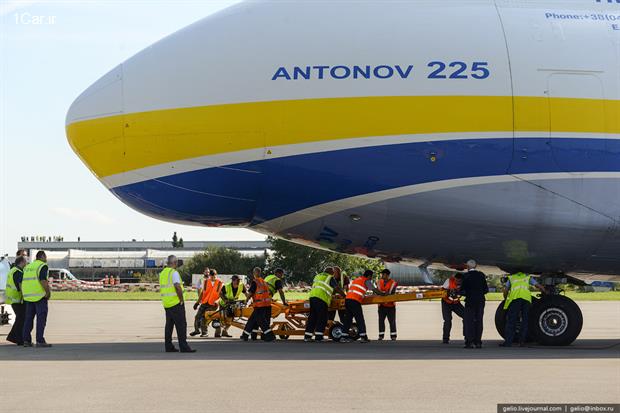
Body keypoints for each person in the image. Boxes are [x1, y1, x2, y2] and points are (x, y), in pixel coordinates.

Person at [159, 255, 195, 353]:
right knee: (181, 325)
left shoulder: (162, 273)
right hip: (175, 303)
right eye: (176, 262)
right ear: (174, 263)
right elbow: (177, 286)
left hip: (167, 303)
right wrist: (181, 299)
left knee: (169, 326)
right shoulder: (173, 273)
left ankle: (168, 346)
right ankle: (184, 347)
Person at [500, 272, 545, 347]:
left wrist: (505, 298)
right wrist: (545, 292)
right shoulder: (527, 277)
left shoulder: (512, 278)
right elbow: (539, 286)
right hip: (526, 300)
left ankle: (508, 342)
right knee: (525, 321)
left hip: (515, 300)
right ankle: (522, 342)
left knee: (511, 321)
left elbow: (505, 290)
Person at [340, 270, 386, 343]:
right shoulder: (366, 280)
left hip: (348, 300)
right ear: (369, 276)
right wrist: (382, 294)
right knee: (360, 319)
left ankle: (343, 337)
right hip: (354, 301)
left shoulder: (357, 279)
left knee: (348, 319)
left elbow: (357, 290)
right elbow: (374, 289)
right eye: (371, 277)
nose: (371, 279)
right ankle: (363, 337)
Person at [304, 267, 345, 342]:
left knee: (312, 317)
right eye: (333, 273)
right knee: (322, 318)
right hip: (321, 299)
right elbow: (337, 288)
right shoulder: (329, 278)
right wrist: (345, 296)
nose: (333, 274)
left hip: (312, 298)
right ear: (330, 272)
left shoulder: (318, 276)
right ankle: (319, 337)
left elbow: (324, 287)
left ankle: (307, 336)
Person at [22, 251, 52, 347]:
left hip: (28, 297)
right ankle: (40, 340)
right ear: (42, 256)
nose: (46, 259)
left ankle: (26, 341)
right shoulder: (42, 266)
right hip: (39, 297)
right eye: (45, 257)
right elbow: (43, 280)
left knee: (28, 319)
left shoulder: (28, 267)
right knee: (41, 319)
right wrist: (48, 292)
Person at [240, 268, 275, 342]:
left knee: (261, 321)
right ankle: (245, 335)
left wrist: (246, 301)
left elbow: (250, 293)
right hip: (267, 304)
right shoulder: (264, 282)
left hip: (259, 305)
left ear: (254, 273)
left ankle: (270, 336)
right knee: (253, 320)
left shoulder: (255, 282)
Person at [460, 260, 488, 349]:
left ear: (467, 267)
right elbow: (486, 290)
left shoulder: (466, 276)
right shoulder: (481, 275)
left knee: (469, 321)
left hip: (470, 301)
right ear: (476, 266)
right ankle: (478, 342)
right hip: (480, 301)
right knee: (479, 321)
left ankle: (469, 342)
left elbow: (462, 290)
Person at [190, 269, 222, 337]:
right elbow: (202, 293)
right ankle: (196, 330)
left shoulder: (220, 283)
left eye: (214, 276)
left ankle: (204, 333)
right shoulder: (206, 282)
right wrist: (197, 302)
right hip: (205, 302)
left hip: (213, 304)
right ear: (209, 275)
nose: (212, 278)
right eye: (211, 276)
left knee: (204, 317)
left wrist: (217, 301)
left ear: (216, 275)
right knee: (197, 317)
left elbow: (221, 296)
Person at [6, 256, 27, 345]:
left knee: (20, 318)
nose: (26, 263)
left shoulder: (12, 270)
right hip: (17, 299)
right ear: (21, 262)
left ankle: (13, 337)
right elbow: (20, 285)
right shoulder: (18, 272)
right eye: (25, 261)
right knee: (21, 319)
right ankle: (18, 339)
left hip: (12, 299)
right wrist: (25, 296)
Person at [441, 273, 464, 344]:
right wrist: (449, 292)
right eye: (457, 281)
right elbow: (442, 291)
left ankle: (467, 336)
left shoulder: (464, 282)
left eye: (460, 281)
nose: (458, 282)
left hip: (456, 303)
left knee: (466, 316)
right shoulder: (449, 281)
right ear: (455, 279)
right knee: (447, 320)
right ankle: (445, 338)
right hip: (446, 303)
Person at [377, 269, 398, 341]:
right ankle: (381, 335)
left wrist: (383, 293)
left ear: (387, 275)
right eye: (382, 274)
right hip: (381, 305)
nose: (382, 275)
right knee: (381, 321)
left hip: (390, 305)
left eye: (383, 274)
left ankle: (393, 336)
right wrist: (383, 293)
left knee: (392, 321)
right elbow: (378, 292)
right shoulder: (379, 282)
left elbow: (390, 292)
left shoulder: (393, 283)